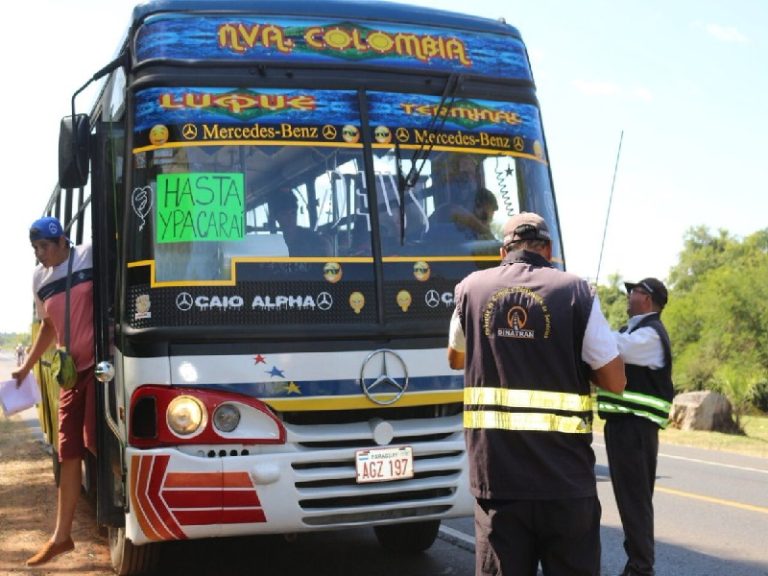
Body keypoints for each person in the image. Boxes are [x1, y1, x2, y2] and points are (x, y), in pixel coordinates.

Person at [447, 211, 626, 576]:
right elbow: (615, 380)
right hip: (565, 484)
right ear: (548, 248)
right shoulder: (577, 292)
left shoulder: (470, 289)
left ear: (503, 251)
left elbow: (455, 358)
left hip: (498, 484)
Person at [12, 216, 96, 567]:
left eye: (44, 246)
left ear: (62, 240)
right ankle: (61, 537)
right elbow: (47, 326)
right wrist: (26, 366)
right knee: (68, 451)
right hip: (70, 376)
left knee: (97, 442)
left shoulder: (90, 256)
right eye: (35, 249)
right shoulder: (39, 278)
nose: (40, 254)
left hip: (100, 369)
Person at [597, 277, 674, 576]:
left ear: (648, 299)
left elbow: (613, 348)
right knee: (629, 500)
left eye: (634, 291)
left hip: (636, 430)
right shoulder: (634, 330)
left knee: (635, 502)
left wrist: (590, 312)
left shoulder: (650, 335)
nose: (629, 296)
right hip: (622, 427)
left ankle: (641, 569)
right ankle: (637, 566)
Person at [268, 190, 332, 257]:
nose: (290, 219)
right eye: (284, 214)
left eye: (293, 213)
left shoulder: (313, 240)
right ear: (276, 217)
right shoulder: (276, 246)